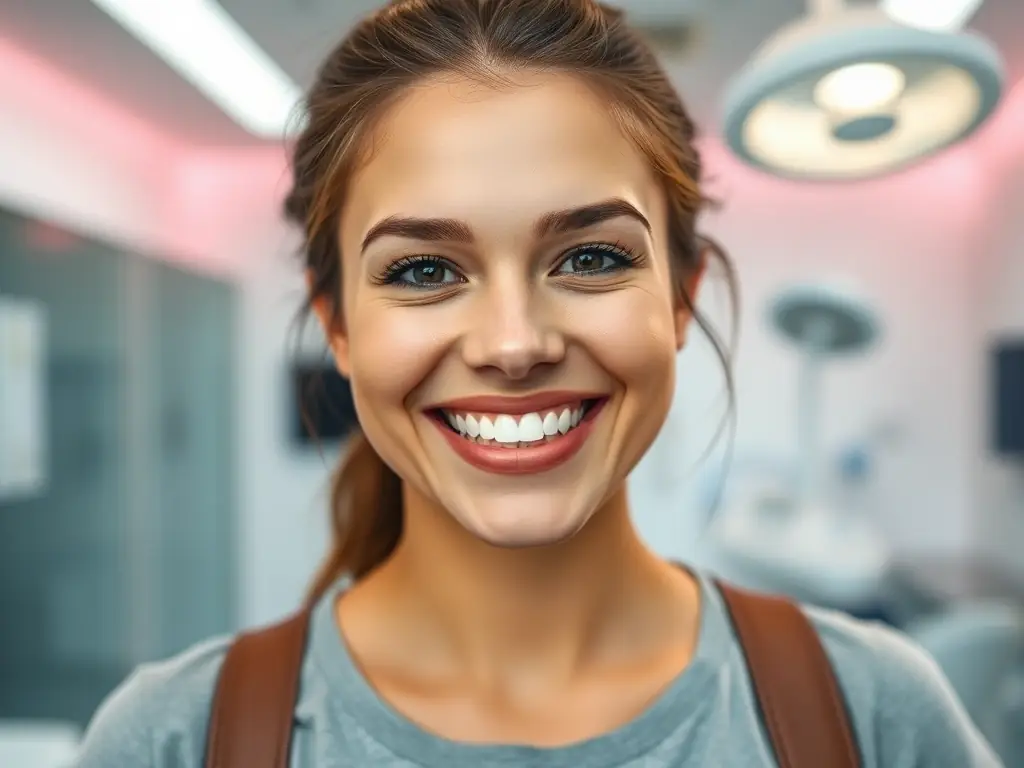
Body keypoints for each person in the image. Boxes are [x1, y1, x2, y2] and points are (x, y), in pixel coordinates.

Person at [75, 1, 1000, 766]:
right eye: (425, 271)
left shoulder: (874, 716)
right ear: (339, 326)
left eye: (591, 256)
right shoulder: (171, 740)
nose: (514, 345)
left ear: (681, 299)